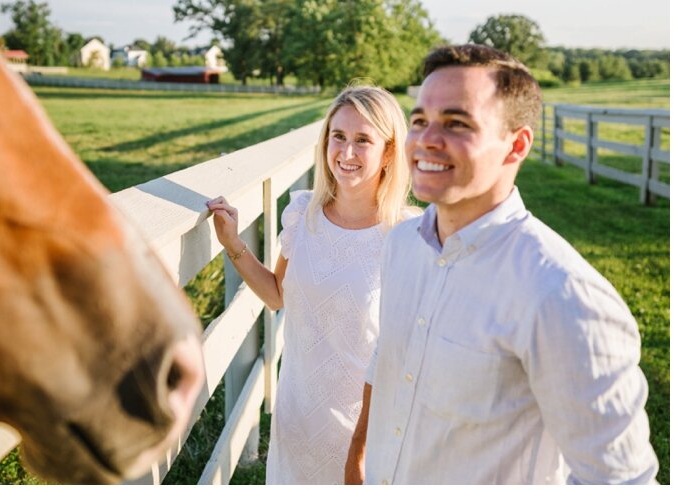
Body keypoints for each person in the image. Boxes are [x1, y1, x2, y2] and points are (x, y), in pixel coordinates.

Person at [344, 44, 659, 484]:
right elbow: (387, 360)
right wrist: (356, 456)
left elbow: (620, 479)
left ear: (516, 145)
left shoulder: (561, 295)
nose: (426, 139)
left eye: (456, 123)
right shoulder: (400, 245)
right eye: (419, 121)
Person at [206, 85, 419, 484]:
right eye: (338, 137)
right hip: (297, 416)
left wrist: (362, 449)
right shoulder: (303, 213)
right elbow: (277, 294)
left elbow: (401, 357)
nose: (347, 153)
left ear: (389, 152)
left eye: (363, 140)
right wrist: (233, 244)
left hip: (363, 428)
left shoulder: (406, 237)